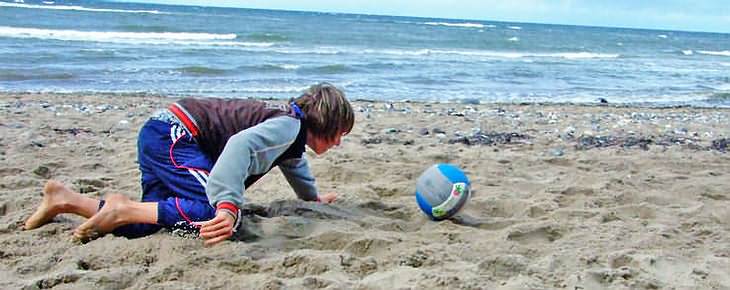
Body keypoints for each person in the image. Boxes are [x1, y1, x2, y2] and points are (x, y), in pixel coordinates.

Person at [24, 82, 355, 246]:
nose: (339, 142)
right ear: (324, 121)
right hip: (176, 135)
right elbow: (240, 145)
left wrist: (311, 198)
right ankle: (121, 207)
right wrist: (226, 205)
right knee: (215, 215)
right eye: (339, 133)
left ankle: (65, 200)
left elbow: (294, 164)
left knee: (155, 222)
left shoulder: (290, 132)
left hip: (160, 131)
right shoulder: (289, 126)